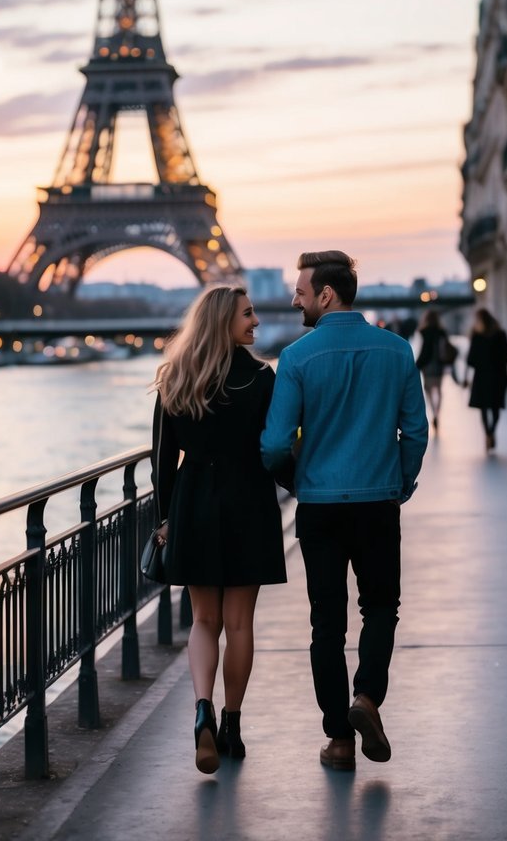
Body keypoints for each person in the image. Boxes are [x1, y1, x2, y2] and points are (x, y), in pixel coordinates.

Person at [261, 251, 428, 772]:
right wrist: (397, 482)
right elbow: (416, 432)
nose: (294, 299)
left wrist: (296, 479)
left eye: (301, 291)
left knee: (325, 626)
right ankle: (367, 700)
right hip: (378, 501)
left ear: (326, 294)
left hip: (320, 507)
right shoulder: (398, 351)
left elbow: (272, 445)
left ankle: (338, 740)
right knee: (381, 608)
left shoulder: (295, 358)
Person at [151, 284, 286, 775]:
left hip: (195, 504)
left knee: (203, 621)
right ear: (225, 321)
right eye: (248, 316)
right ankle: (231, 724)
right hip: (248, 498)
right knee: (240, 623)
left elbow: (162, 463)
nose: (256, 322)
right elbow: (274, 448)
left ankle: (202, 709)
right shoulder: (261, 379)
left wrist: (166, 518)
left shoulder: (176, 377)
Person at [464, 307, 507, 453]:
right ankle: (492, 431)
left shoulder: (477, 336)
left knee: (484, 409)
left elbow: (470, 360)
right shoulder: (501, 334)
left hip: (482, 377)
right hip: (498, 376)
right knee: (496, 407)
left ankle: (487, 434)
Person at [414, 308, 454, 432]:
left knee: (429, 389)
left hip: (427, 365)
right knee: (439, 389)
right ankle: (437, 412)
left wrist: (417, 365)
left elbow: (423, 350)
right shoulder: (442, 331)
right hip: (439, 364)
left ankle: (433, 410)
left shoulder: (423, 331)